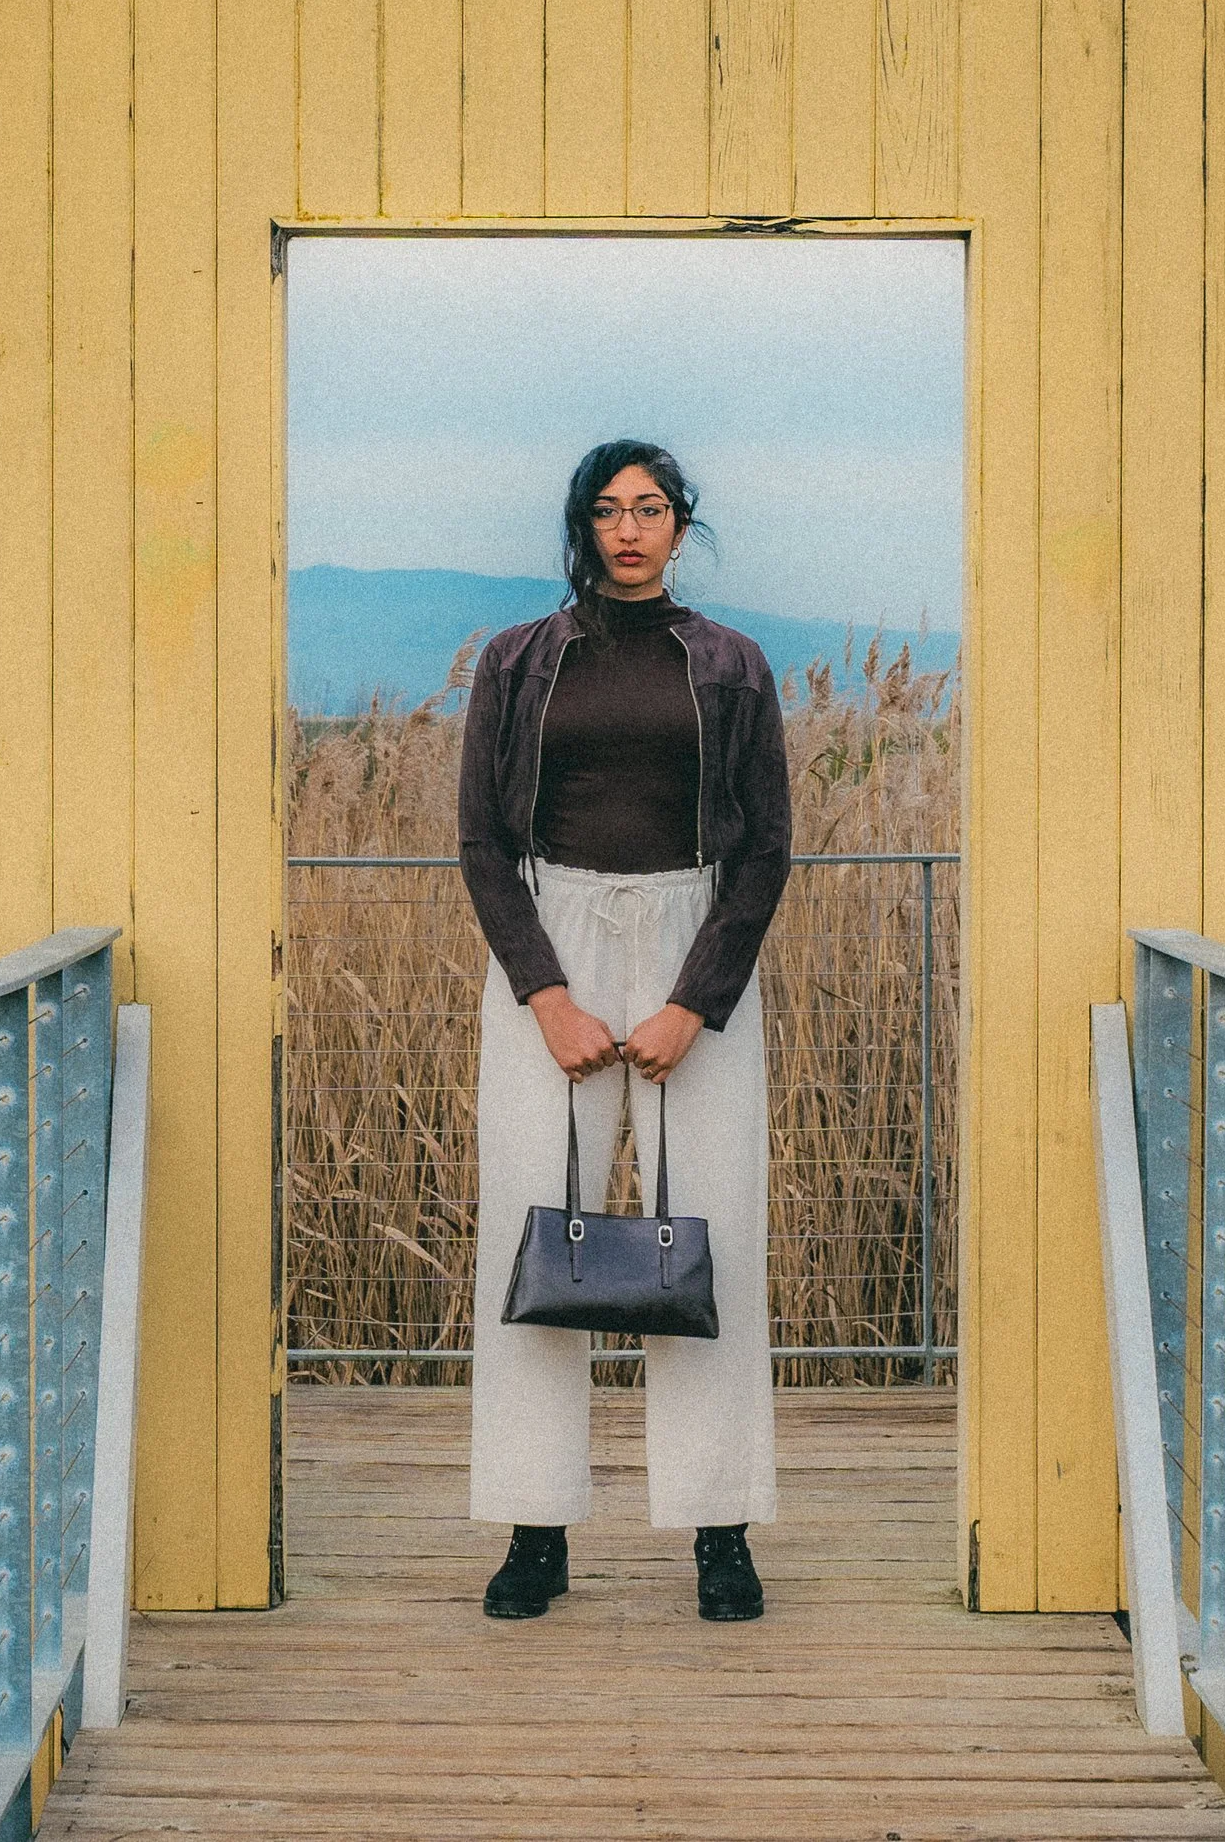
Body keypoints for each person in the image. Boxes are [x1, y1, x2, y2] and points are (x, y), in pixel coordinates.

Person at [456, 439, 793, 1622]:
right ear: (582, 527)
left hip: (691, 935)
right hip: (552, 935)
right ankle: (533, 1528)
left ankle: (720, 1528)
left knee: (713, 1227)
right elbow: (481, 845)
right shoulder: (517, 660)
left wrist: (694, 1001)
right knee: (529, 1226)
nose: (629, 528)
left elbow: (765, 849)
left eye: (650, 508)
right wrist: (546, 994)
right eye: (607, 510)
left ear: (679, 527)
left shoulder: (732, 664)